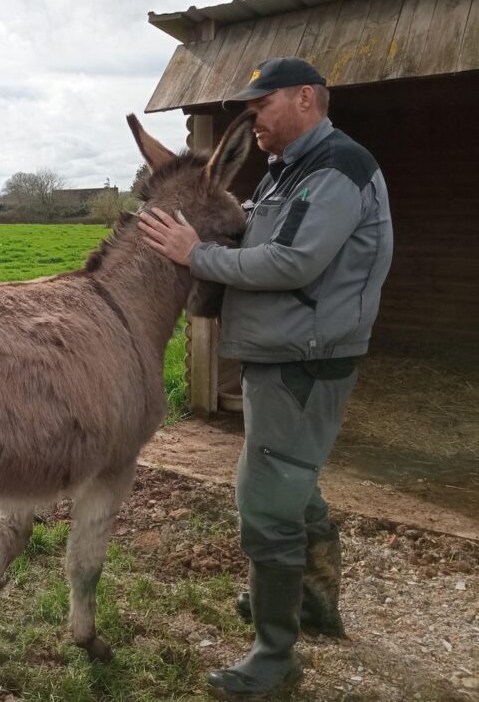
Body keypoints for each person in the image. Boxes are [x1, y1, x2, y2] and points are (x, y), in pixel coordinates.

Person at [138, 57, 393, 699]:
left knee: (266, 500)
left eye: (263, 103)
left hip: (302, 360)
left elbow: (294, 261)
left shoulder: (338, 169)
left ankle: (275, 656)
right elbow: (257, 235)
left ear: (305, 99)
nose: (252, 118)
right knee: (292, 480)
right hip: (281, 354)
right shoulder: (289, 173)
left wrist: (195, 254)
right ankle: (313, 603)